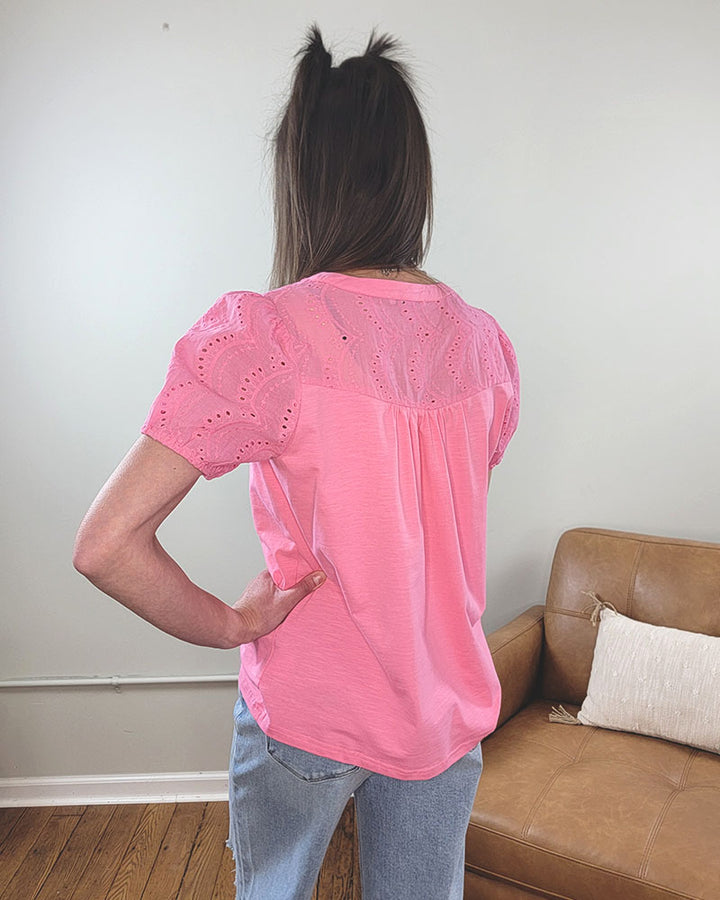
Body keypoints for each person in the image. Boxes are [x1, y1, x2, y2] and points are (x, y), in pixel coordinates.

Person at [73, 22, 520, 900]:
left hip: (310, 708)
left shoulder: (267, 336)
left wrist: (231, 624)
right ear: (411, 177)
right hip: (443, 709)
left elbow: (105, 543)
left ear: (300, 178)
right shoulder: (485, 346)